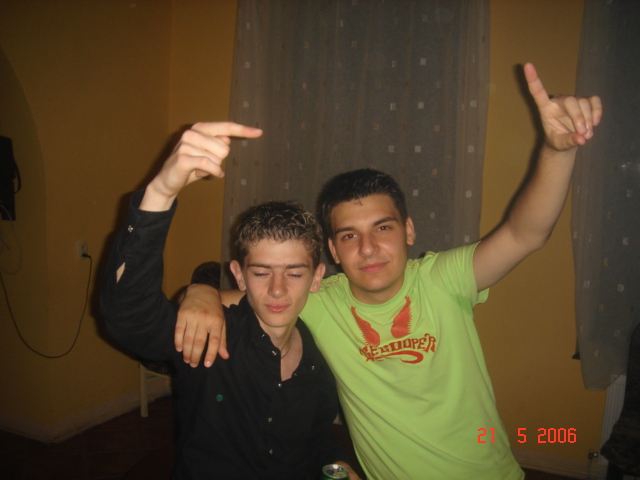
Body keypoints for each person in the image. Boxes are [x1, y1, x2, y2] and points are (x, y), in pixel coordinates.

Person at [174, 64, 603, 479]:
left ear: (408, 230)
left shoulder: (443, 279)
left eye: (383, 228)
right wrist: (199, 291)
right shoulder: (316, 298)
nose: (368, 248)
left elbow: (525, 233)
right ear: (332, 251)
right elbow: (241, 298)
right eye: (349, 235)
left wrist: (557, 151)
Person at [100, 122, 361, 480]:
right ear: (238, 275)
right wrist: (160, 192)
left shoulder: (322, 356)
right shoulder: (211, 334)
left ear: (317, 278)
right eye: (261, 272)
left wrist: (339, 466)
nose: (278, 289)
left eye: (294, 273)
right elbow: (128, 316)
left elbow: (313, 439)